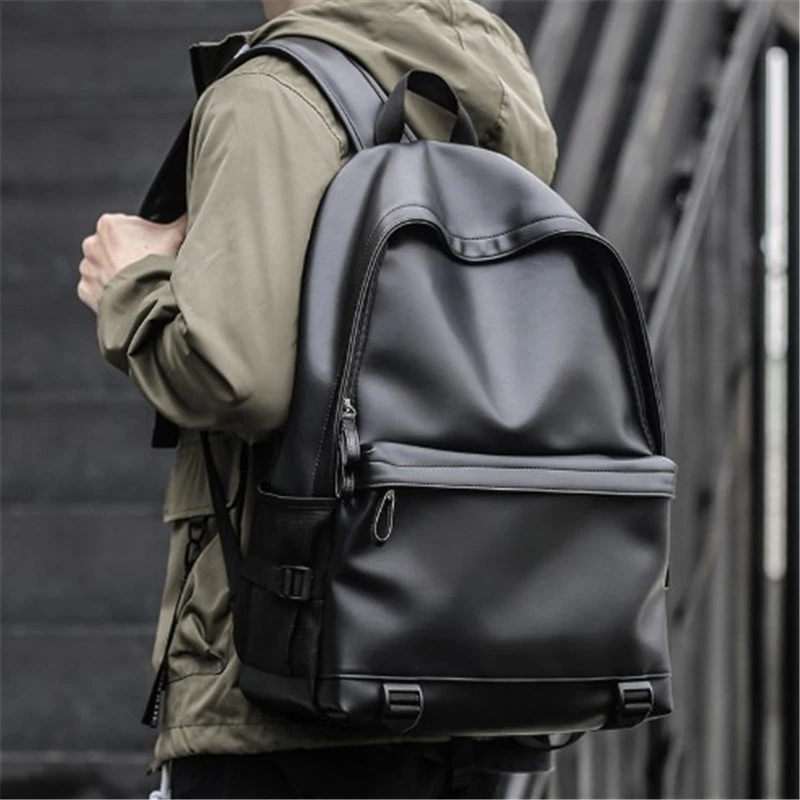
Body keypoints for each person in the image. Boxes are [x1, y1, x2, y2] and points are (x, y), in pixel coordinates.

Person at [77, 0, 557, 796]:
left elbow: (235, 374)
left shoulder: (272, 94)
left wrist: (130, 284)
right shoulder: (483, 84)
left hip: (291, 680)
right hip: (464, 658)